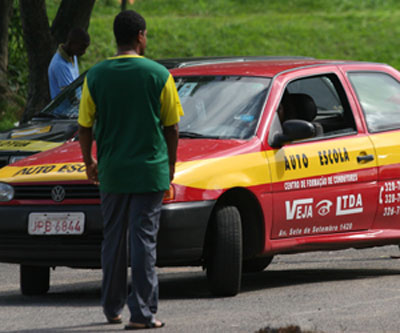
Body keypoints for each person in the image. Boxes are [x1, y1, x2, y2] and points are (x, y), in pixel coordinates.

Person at [78, 10, 183, 330]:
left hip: (112, 172)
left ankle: (111, 308)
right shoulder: (158, 75)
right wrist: (170, 166)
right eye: (146, 35)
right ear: (140, 36)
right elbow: (172, 127)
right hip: (149, 172)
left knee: (113, 240)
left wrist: (89, 162)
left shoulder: (95, 76)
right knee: (143, 241)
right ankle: (142, 313)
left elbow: (84, 126)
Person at [48, 27, 90, 99]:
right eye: (82, 48)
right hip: (64, 109)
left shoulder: (73, 56)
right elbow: (71, 97)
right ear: (71, 43)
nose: (84, 52)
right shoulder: (59, 65)